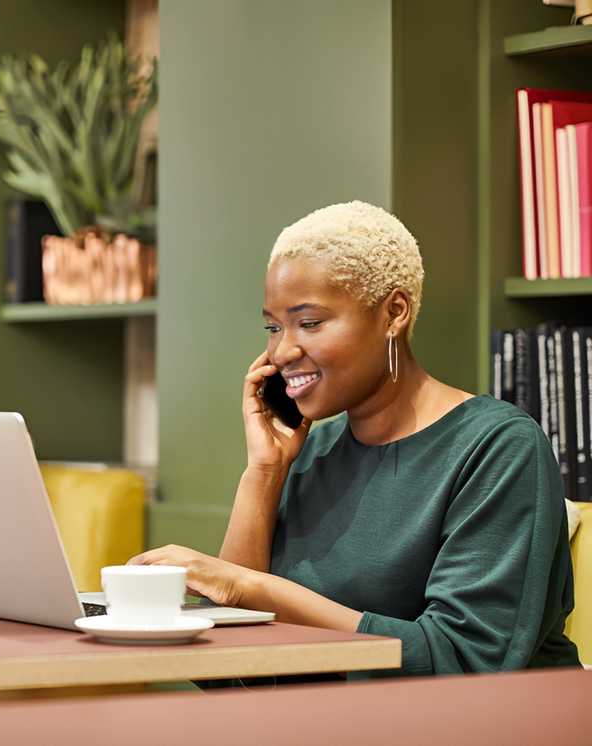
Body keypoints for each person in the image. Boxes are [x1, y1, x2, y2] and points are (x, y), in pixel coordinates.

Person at [131, 201, 580, 676]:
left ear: (394, 313)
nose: (281, 351)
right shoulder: (308, 456)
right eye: (273, 327)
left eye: (309, 323)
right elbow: (233, 672)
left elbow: (465, 661)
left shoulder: (498, 446)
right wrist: (263, 472)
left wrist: (250, 590)